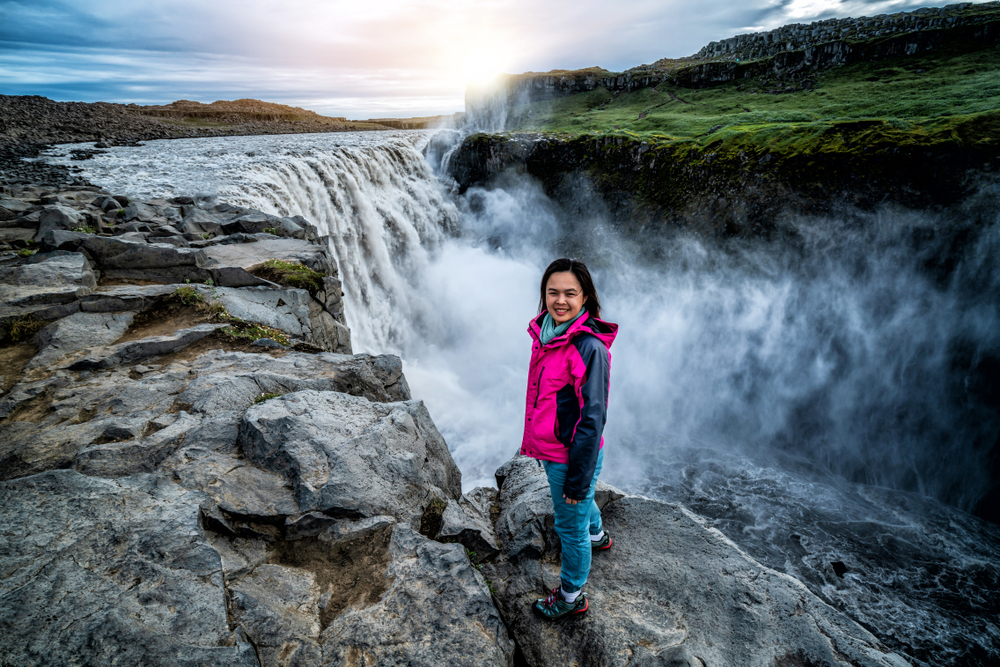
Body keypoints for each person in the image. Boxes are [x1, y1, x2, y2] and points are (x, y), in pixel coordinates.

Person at [521, 257, 618, 620]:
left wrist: (577, 479)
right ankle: (597, 535)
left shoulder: (588, 347)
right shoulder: (547, 333)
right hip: (556, 451)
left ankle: (571, 595)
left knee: (568, 526)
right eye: (553, 292)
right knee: (581, 511)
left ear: (586, 298)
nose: (560, 300)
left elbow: (593, 418)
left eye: (570, 294)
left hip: (571, 457)